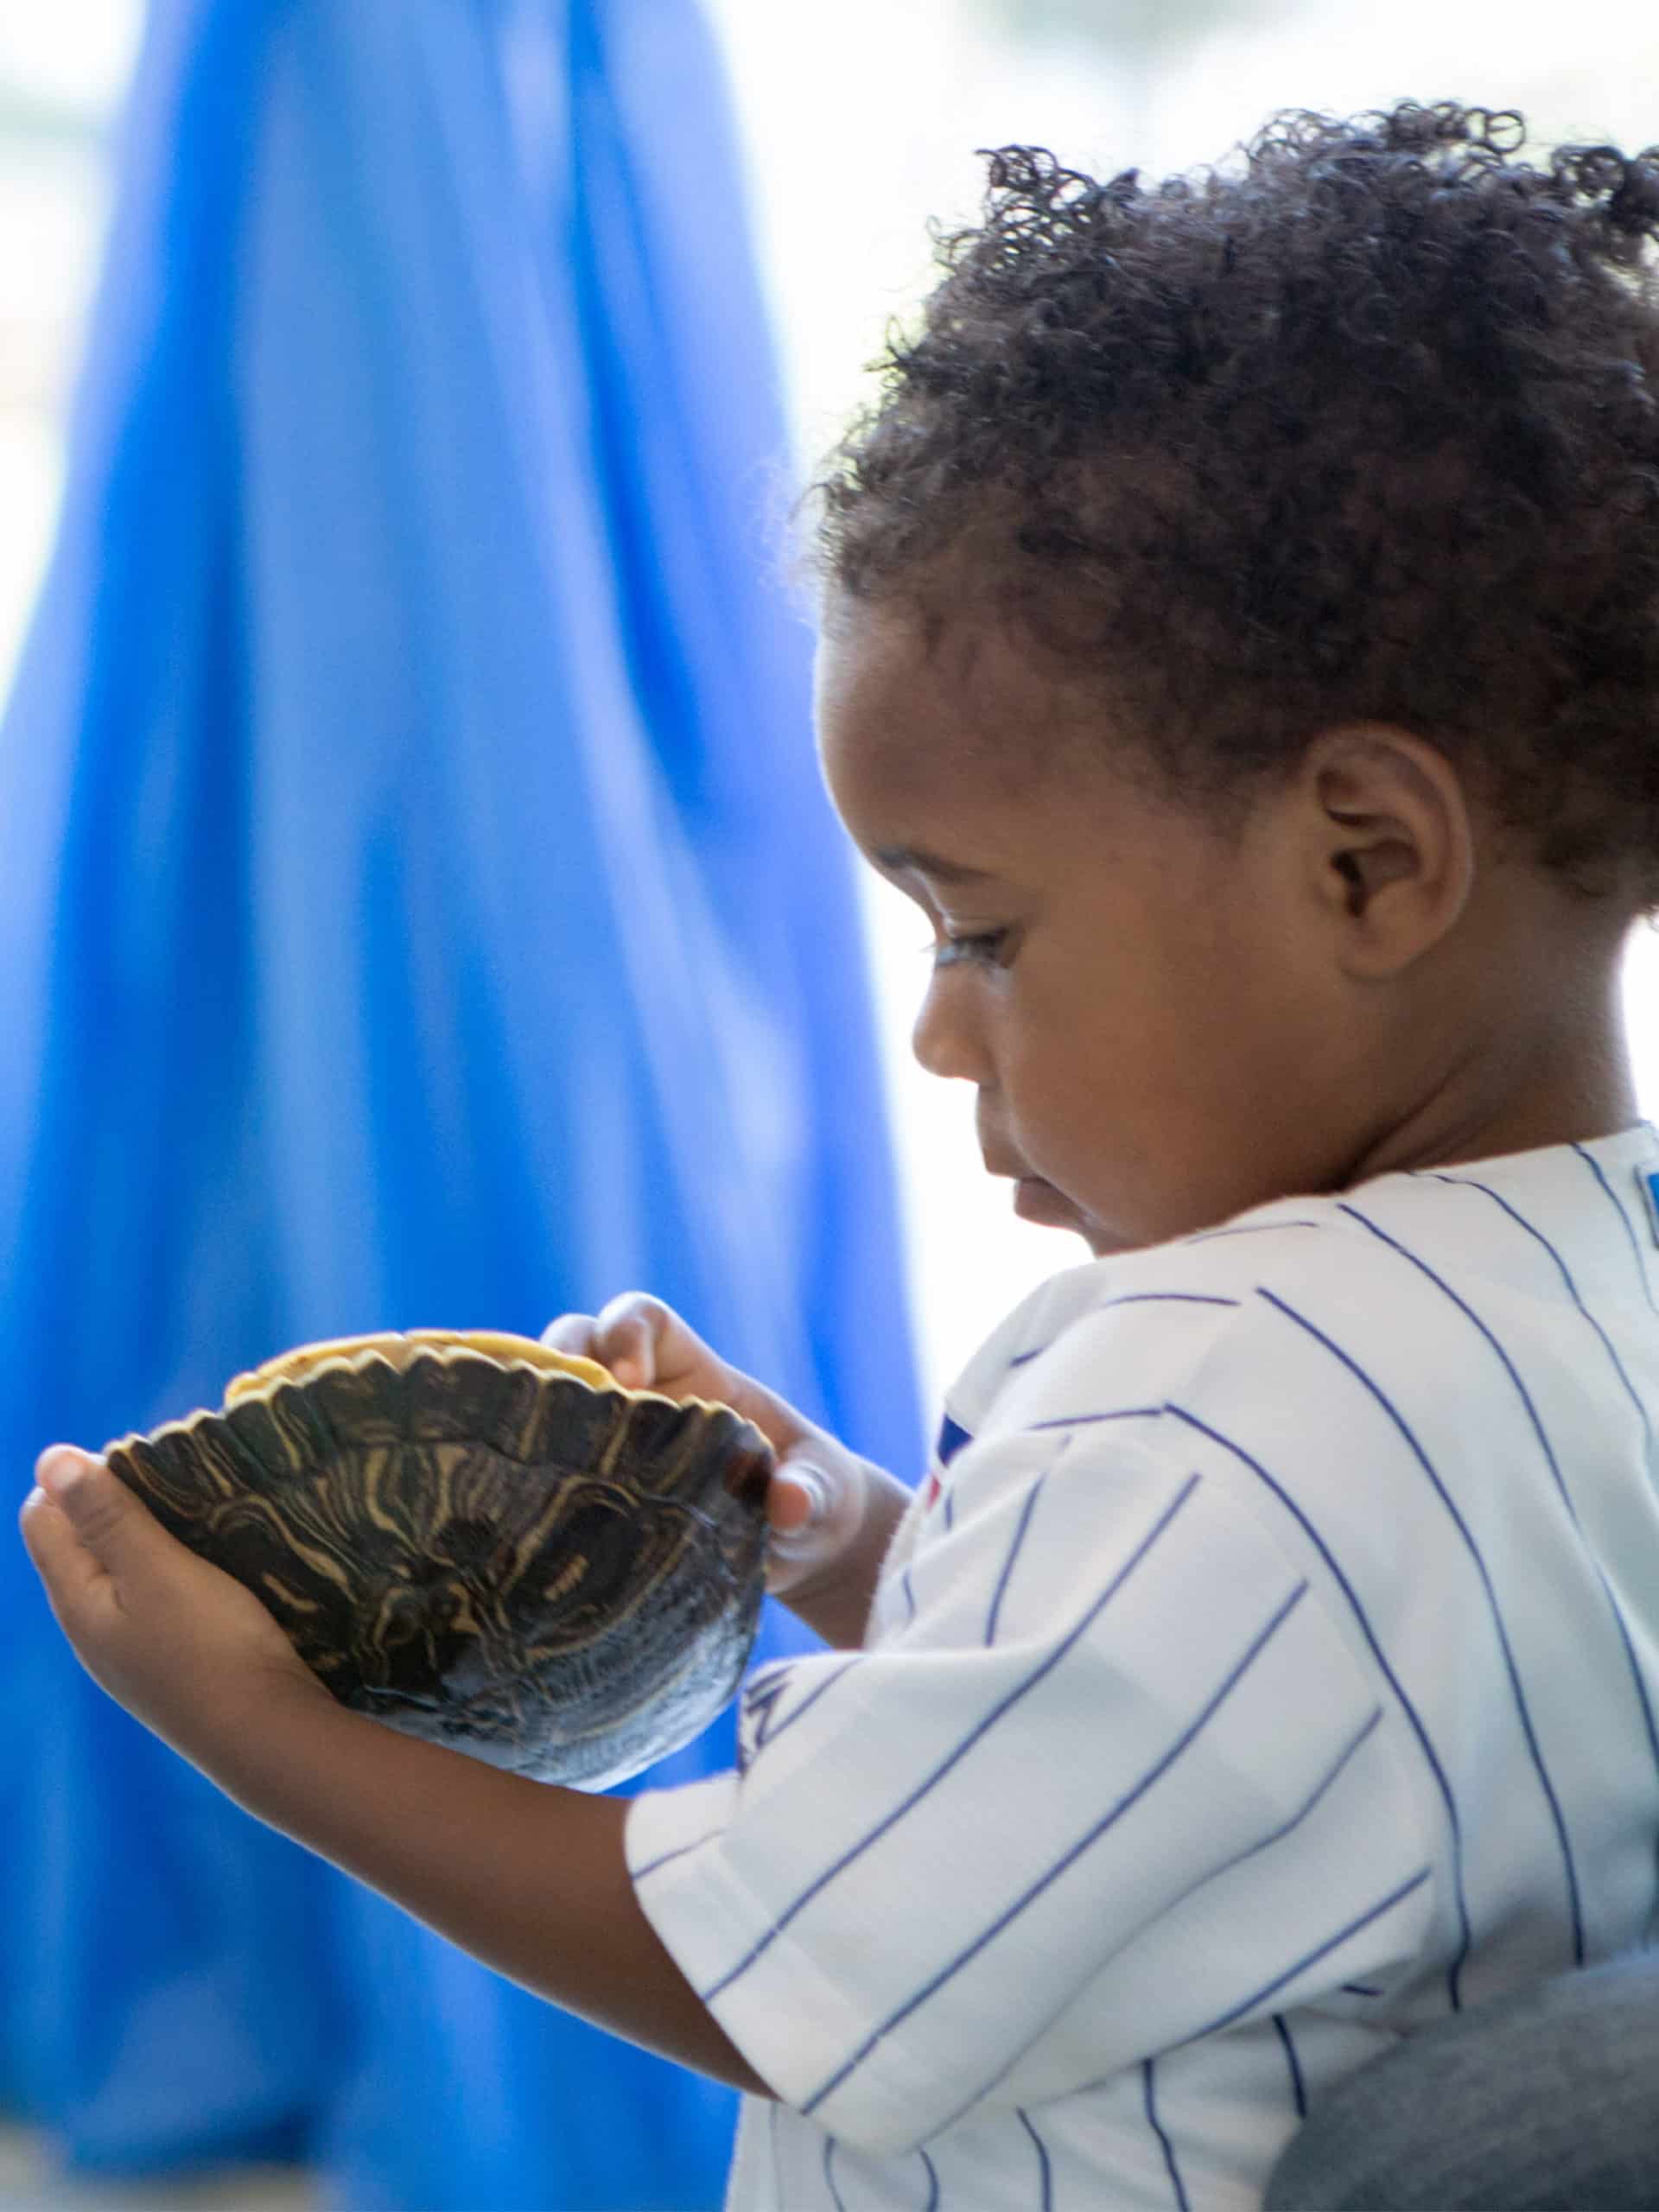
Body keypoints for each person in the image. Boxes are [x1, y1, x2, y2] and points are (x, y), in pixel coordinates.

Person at [21, 98, 1659, 2209]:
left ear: (1367, 862)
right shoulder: (1577, 1300)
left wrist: (272, 1734)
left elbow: (764, 1954)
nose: (932, 1022)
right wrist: (851, 1536)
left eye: (982, 925)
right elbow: (1223, 1752)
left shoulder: (1230, 1401)